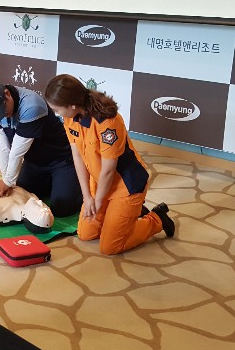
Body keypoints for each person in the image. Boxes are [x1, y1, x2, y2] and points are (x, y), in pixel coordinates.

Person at [43, 74, 175, 255]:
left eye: (57, 109)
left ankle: (156, 218)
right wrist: (87, 197)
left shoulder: (108, 122)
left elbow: (108, 170)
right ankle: (125, 216)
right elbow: (77, 156)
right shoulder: (70, 118)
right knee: (86, 234)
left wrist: (97, 201)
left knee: (110, 247)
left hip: (125, 186)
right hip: (99, 183)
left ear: (72, 105)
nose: (57, 113)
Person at [0, 80, 82, 217]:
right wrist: (6, 178)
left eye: (2, 110)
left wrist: (8, 181)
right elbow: (3, 146)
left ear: (7, 94)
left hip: (61, 161)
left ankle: (72, 183)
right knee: (21, 199)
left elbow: (16, 153)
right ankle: (52, 184)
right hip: (34, 162)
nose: (2, 115)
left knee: (61, 208)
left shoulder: (32, 106)